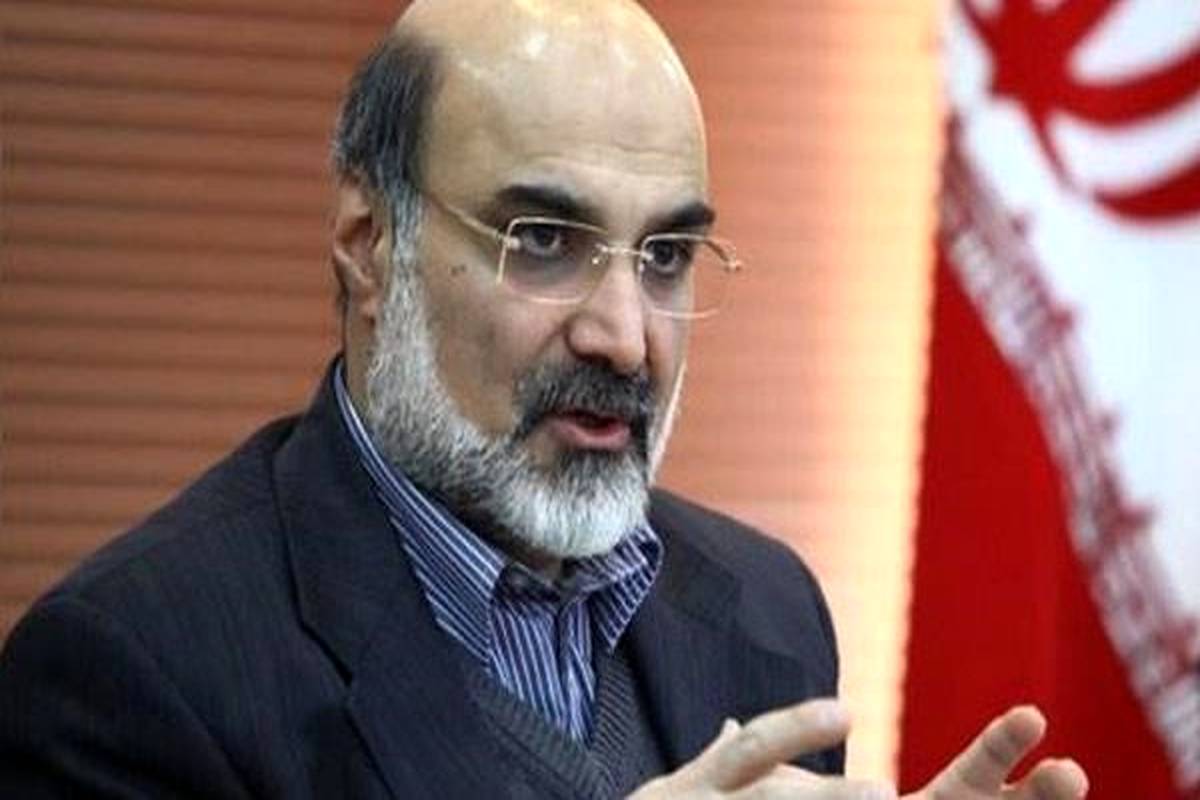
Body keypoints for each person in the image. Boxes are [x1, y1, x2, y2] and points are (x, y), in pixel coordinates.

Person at [0, 1, 1090, 798]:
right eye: (546, 241)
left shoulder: (768, 612)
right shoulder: (135, 670)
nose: (624, 334)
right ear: (370, 248)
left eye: (665, 255)